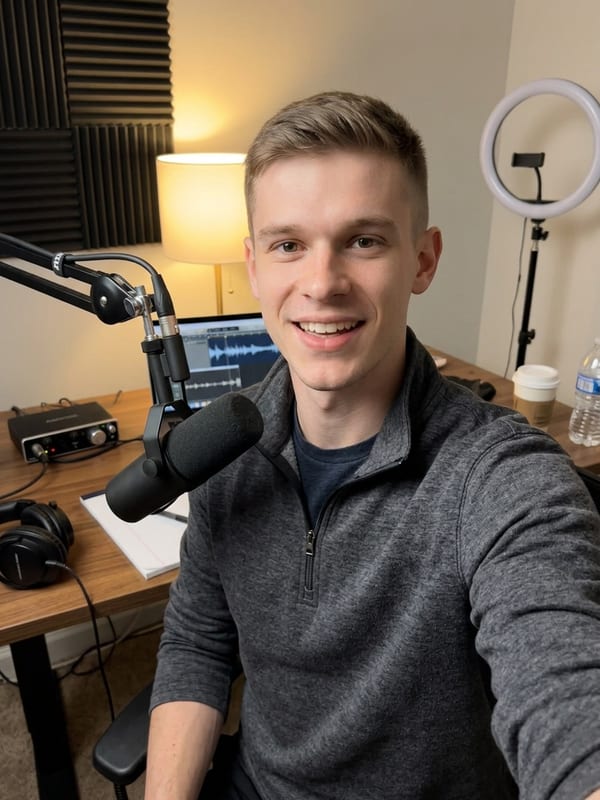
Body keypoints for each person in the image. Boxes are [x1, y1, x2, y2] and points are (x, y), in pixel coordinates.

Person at [145, 91, 600, 799]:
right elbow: (197, 643)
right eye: (289, 244)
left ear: (423, 260)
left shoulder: (502, 478)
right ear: (255, 266)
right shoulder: (224, 447)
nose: (322, 284)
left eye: (363, 240)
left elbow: (564, 701)